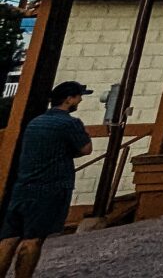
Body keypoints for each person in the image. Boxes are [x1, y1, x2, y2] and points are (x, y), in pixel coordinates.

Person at [0, 81, 93, 278]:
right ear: (69, 99)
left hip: (23, 186)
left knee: (8, 238)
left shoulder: (35, 122)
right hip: (49, 188)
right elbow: (85, 149)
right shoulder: (69, 123)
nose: (80, 99)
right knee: (33, 240)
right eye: (78, 96)